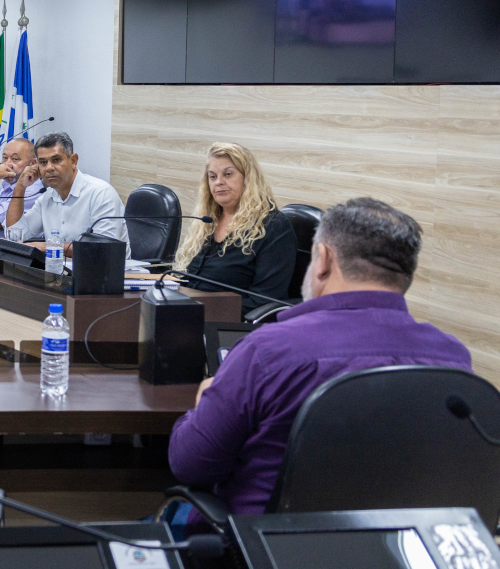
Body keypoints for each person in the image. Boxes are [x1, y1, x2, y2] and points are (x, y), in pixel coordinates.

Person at [169, 198, 472, 517]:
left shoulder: (267, 351)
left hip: (261, 549)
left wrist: (204, 403)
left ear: (323, 259)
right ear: (405, 273)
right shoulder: (453, 358)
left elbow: (190, 464)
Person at [173, 142, 296, 315]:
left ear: (248, 178)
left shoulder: (273, 226)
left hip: (228, 325)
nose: (219, 182)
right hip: (187, 313)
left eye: (228, 174)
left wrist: (200, 309)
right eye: (212, 176)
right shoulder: (206, 220)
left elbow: (264, 300)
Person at [4, 131, 129, 256]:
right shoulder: (47, 197)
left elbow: (103, 249)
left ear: (73, 160)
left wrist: (49, 247)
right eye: (43, 162)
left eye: (56, 160)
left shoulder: (101, 193)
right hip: (61, 271)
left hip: (107, 273)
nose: (49, 167)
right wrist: (20, 186)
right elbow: (15, 234)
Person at [0, 137, 44, 233]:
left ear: (33, 163)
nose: (7, 164)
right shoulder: (9, 183)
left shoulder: (31, 191)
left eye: (15, 159)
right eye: (4, 158)